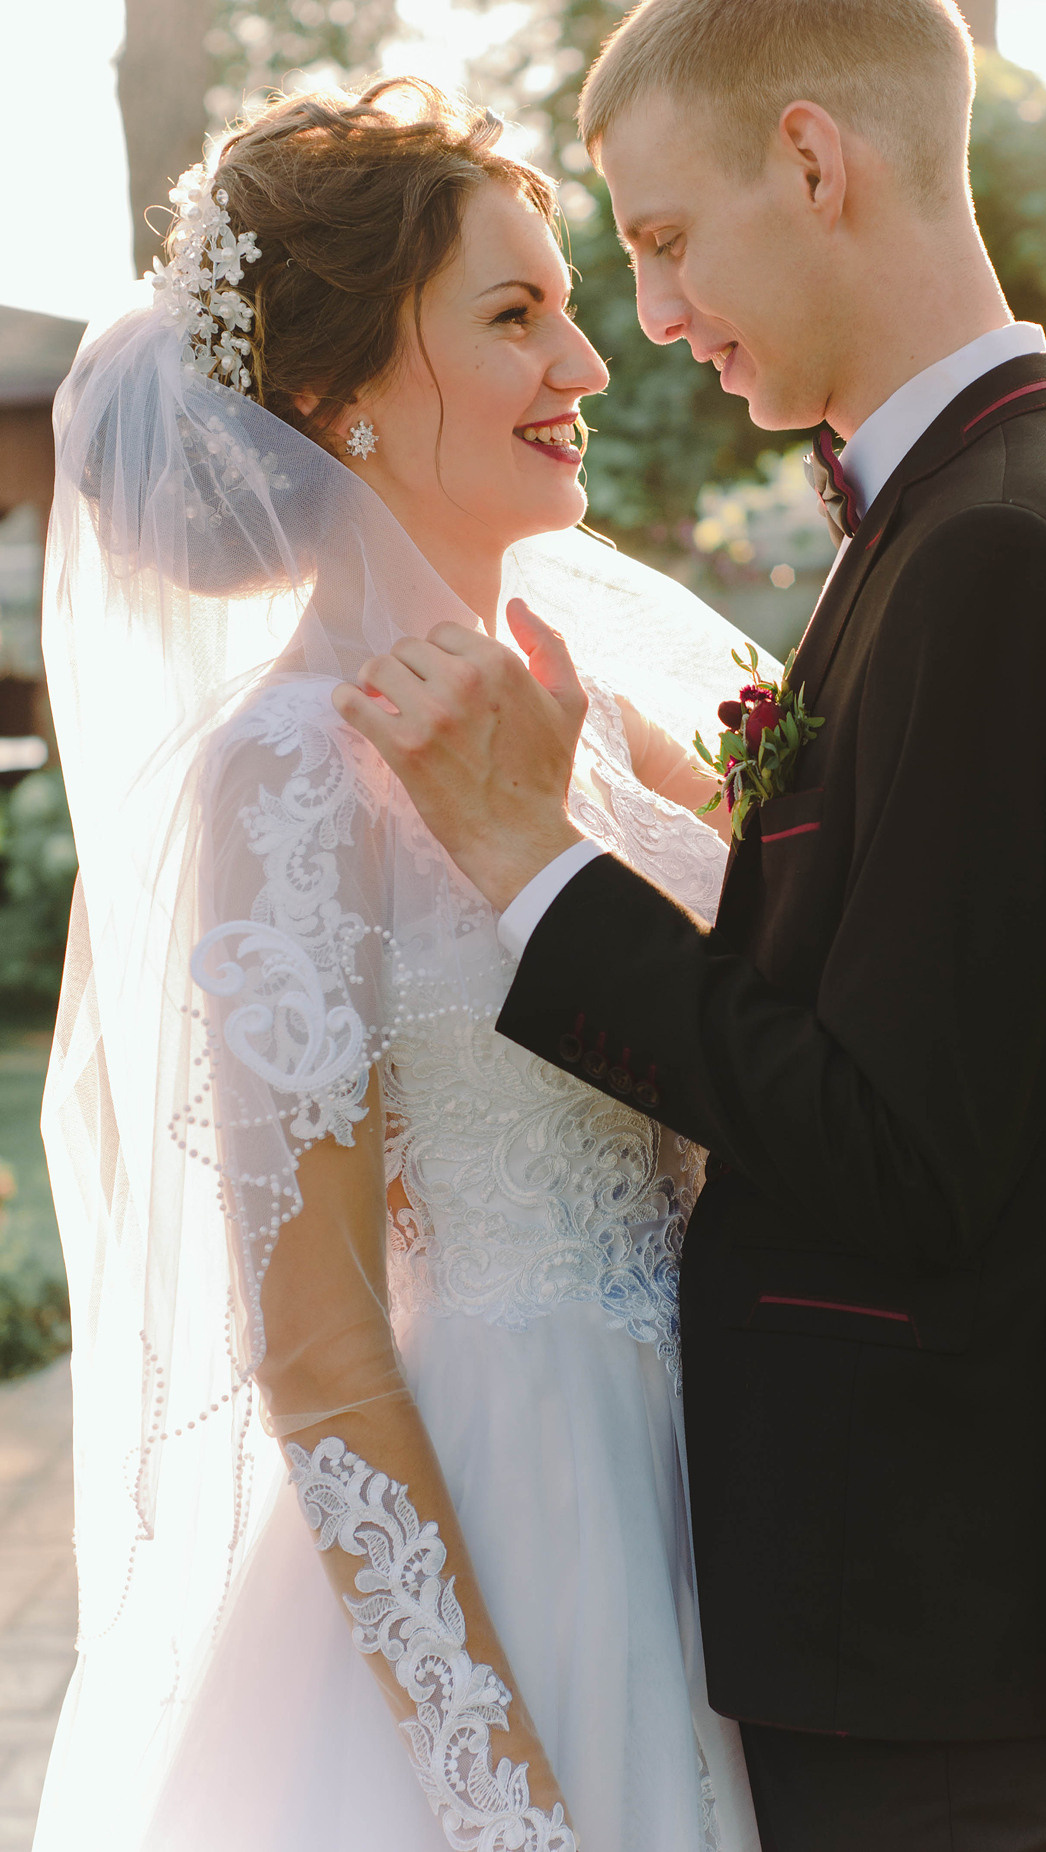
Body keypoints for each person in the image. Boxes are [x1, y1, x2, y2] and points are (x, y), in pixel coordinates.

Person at [332, 5, 1046, 1850]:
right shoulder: (996, 517)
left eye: (660, 242)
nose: (650, 317)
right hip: (919, 1608)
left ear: (813, 162)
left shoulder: (1002, 557)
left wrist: (536, 868)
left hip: (923, 1624)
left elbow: (902, 1149)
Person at [34, 79, 765, 1852]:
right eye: (515, 318)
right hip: (526, 1525)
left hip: (737, 1505)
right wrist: (489, 1782)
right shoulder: (288, 770)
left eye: (569, 307)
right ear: (335, 401)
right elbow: (319, 1347)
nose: (589, 366)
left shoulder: (594, 689)